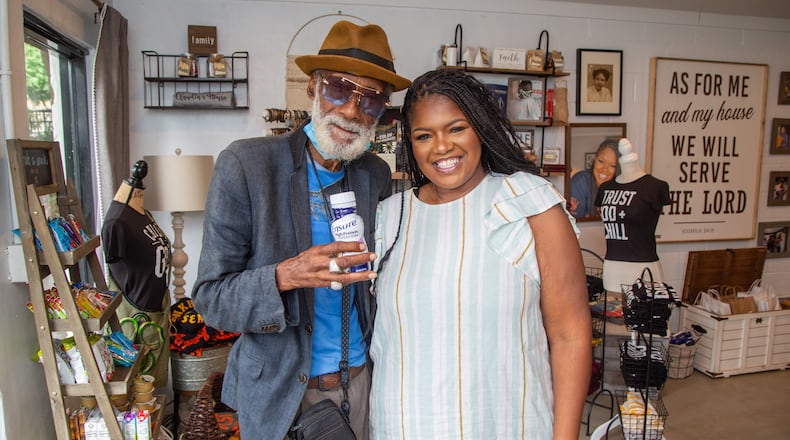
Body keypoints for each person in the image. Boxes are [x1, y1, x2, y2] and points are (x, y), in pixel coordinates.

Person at [190, 20, 410, 440]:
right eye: (340, 89)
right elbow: (210, 298)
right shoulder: (246, 165)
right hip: (277, 395)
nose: (351, 111)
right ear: (313, 87)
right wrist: (285, 275)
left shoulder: (375, 175)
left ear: (382, 112)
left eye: (370, 101)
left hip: (360, 385)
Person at [369, 69, 591, 439]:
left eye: (456, 128)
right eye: (424, 135)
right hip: (402, 426)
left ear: (481, 128)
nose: (441, 147)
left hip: (507, 426)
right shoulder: (389, 217)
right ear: (411, 143)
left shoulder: (530, 204)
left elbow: (571, 336)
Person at [101, 160, 171, 387]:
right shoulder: (116, 222)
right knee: (136, 387)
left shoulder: (143, 213)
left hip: (157, 312)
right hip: (134, 317)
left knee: (155, 386)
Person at [594, 138, 671, 292]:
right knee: (611, 315)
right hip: (613, 267)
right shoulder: (605, 188)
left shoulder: (655, 187)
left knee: (645, 315)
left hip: (643, 267)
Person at [569, 139, 618, 218]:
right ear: (595, 159)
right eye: (601, 161)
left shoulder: (621, 187)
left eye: (612, 165)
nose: (604, 169)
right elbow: (578, 222)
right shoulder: (580, 182)